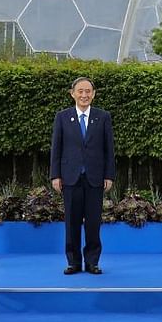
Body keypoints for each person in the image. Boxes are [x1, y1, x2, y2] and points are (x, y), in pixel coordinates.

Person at [50, 76, 116, 275]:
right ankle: (73, 262)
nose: (84, 95)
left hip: (95, 178)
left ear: (93, 94)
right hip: (70, 178)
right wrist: (55, 175)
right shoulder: (62, 117)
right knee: (71, 222)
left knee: (94, 223)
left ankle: (92, 262)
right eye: (80, 91)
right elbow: (56, 148)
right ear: (72, 93)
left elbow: (109, 149)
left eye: (88, 91)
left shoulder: (103, 117)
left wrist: (109, 175)